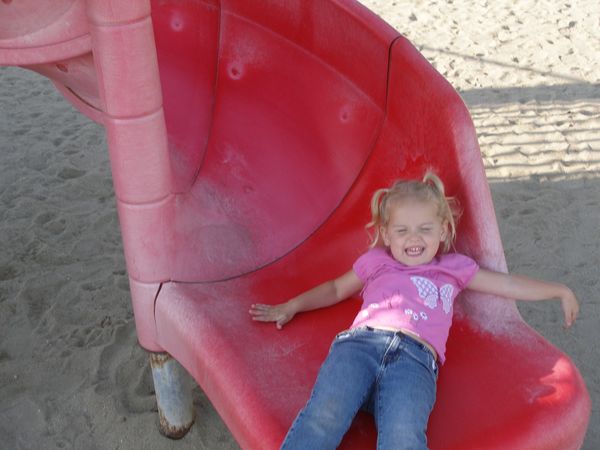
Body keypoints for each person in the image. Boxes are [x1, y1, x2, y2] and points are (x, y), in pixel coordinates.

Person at [249, 171, 579, 450]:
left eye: (425, 228)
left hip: (414, 362)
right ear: (386, 234)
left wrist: (558, 291)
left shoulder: (454, 268)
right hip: (360, 347)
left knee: (404, 436)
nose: (413, 238)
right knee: (325, 415)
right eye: (402, 230)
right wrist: (292, 306)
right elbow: (335, 289)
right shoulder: (377, 261)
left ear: (443, 230)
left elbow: (507, 284)